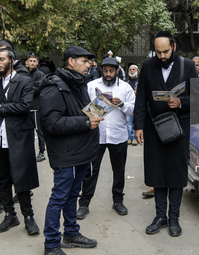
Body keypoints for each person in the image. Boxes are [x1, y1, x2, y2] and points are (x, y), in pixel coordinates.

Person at [39, 46, 103, 255]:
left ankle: (71, 233)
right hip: (66, 153)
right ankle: (51, 244)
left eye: (89, 62)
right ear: (70, 61)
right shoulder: (53, 86)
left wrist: (101, 107)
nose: (89, 65)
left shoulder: (78, 84)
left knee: (73, 194)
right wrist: (86, 123)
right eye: (85, 61)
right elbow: (52, 123)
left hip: (81, 151)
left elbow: (81, 112)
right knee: (59, 197)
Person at [134, 31, 197, 237]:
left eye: (165, 51)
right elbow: (141, 97)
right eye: (158, 52)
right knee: (157, 172)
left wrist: (181, 102)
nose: (161, 56)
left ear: (174, 47)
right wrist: (138, 126)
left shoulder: (188, 66)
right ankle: (160, 217)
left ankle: (174, 219)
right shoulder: (148, 65)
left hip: (179, 128)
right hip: (154, 128)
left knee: (176, 174)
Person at [77, 57, 135, 219]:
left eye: (111, 71)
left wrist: (122, 104)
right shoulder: (91, 85)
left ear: (117, 71)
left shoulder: (125, 87)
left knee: (119, 170)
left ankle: (118, 201)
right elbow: (83, 109)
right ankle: (84, 203)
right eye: (105, 71)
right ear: (101, 70)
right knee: (90, 171)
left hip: (119, 135)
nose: (108, 74)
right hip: (97, 136)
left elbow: (134, 110)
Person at [0, 48, 40, 236]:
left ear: (12, 61)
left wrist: (1, 108)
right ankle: (10, 214)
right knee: (2, 180)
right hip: (1, 139)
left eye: (2, 59)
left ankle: (28, 217)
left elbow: (25, 106)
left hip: (19, 138)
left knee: (21, 180)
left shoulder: (24, 81)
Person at [26, 53, 46, 162]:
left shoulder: (40, 74)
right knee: (28, 132)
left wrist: (25, 89)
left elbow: (37, 90)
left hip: (36, 108)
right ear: (26, 63)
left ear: (37, 62)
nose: (32, 63)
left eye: (34, 61)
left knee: (39, 131)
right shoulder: (25, 74)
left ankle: (42, 152)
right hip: (26, 107)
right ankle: (29, 152)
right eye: (30, 61)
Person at [125, 64, 139, 146]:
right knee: (128, 122)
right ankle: (129, 137)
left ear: (137, 71)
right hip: (128, 104)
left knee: (136, 121)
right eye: (130, 69)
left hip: (138, 104)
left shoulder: (141, 81)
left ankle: (134, 138)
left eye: (134, 69)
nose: (132, 71)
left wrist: (137, 93)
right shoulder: (126, 81)